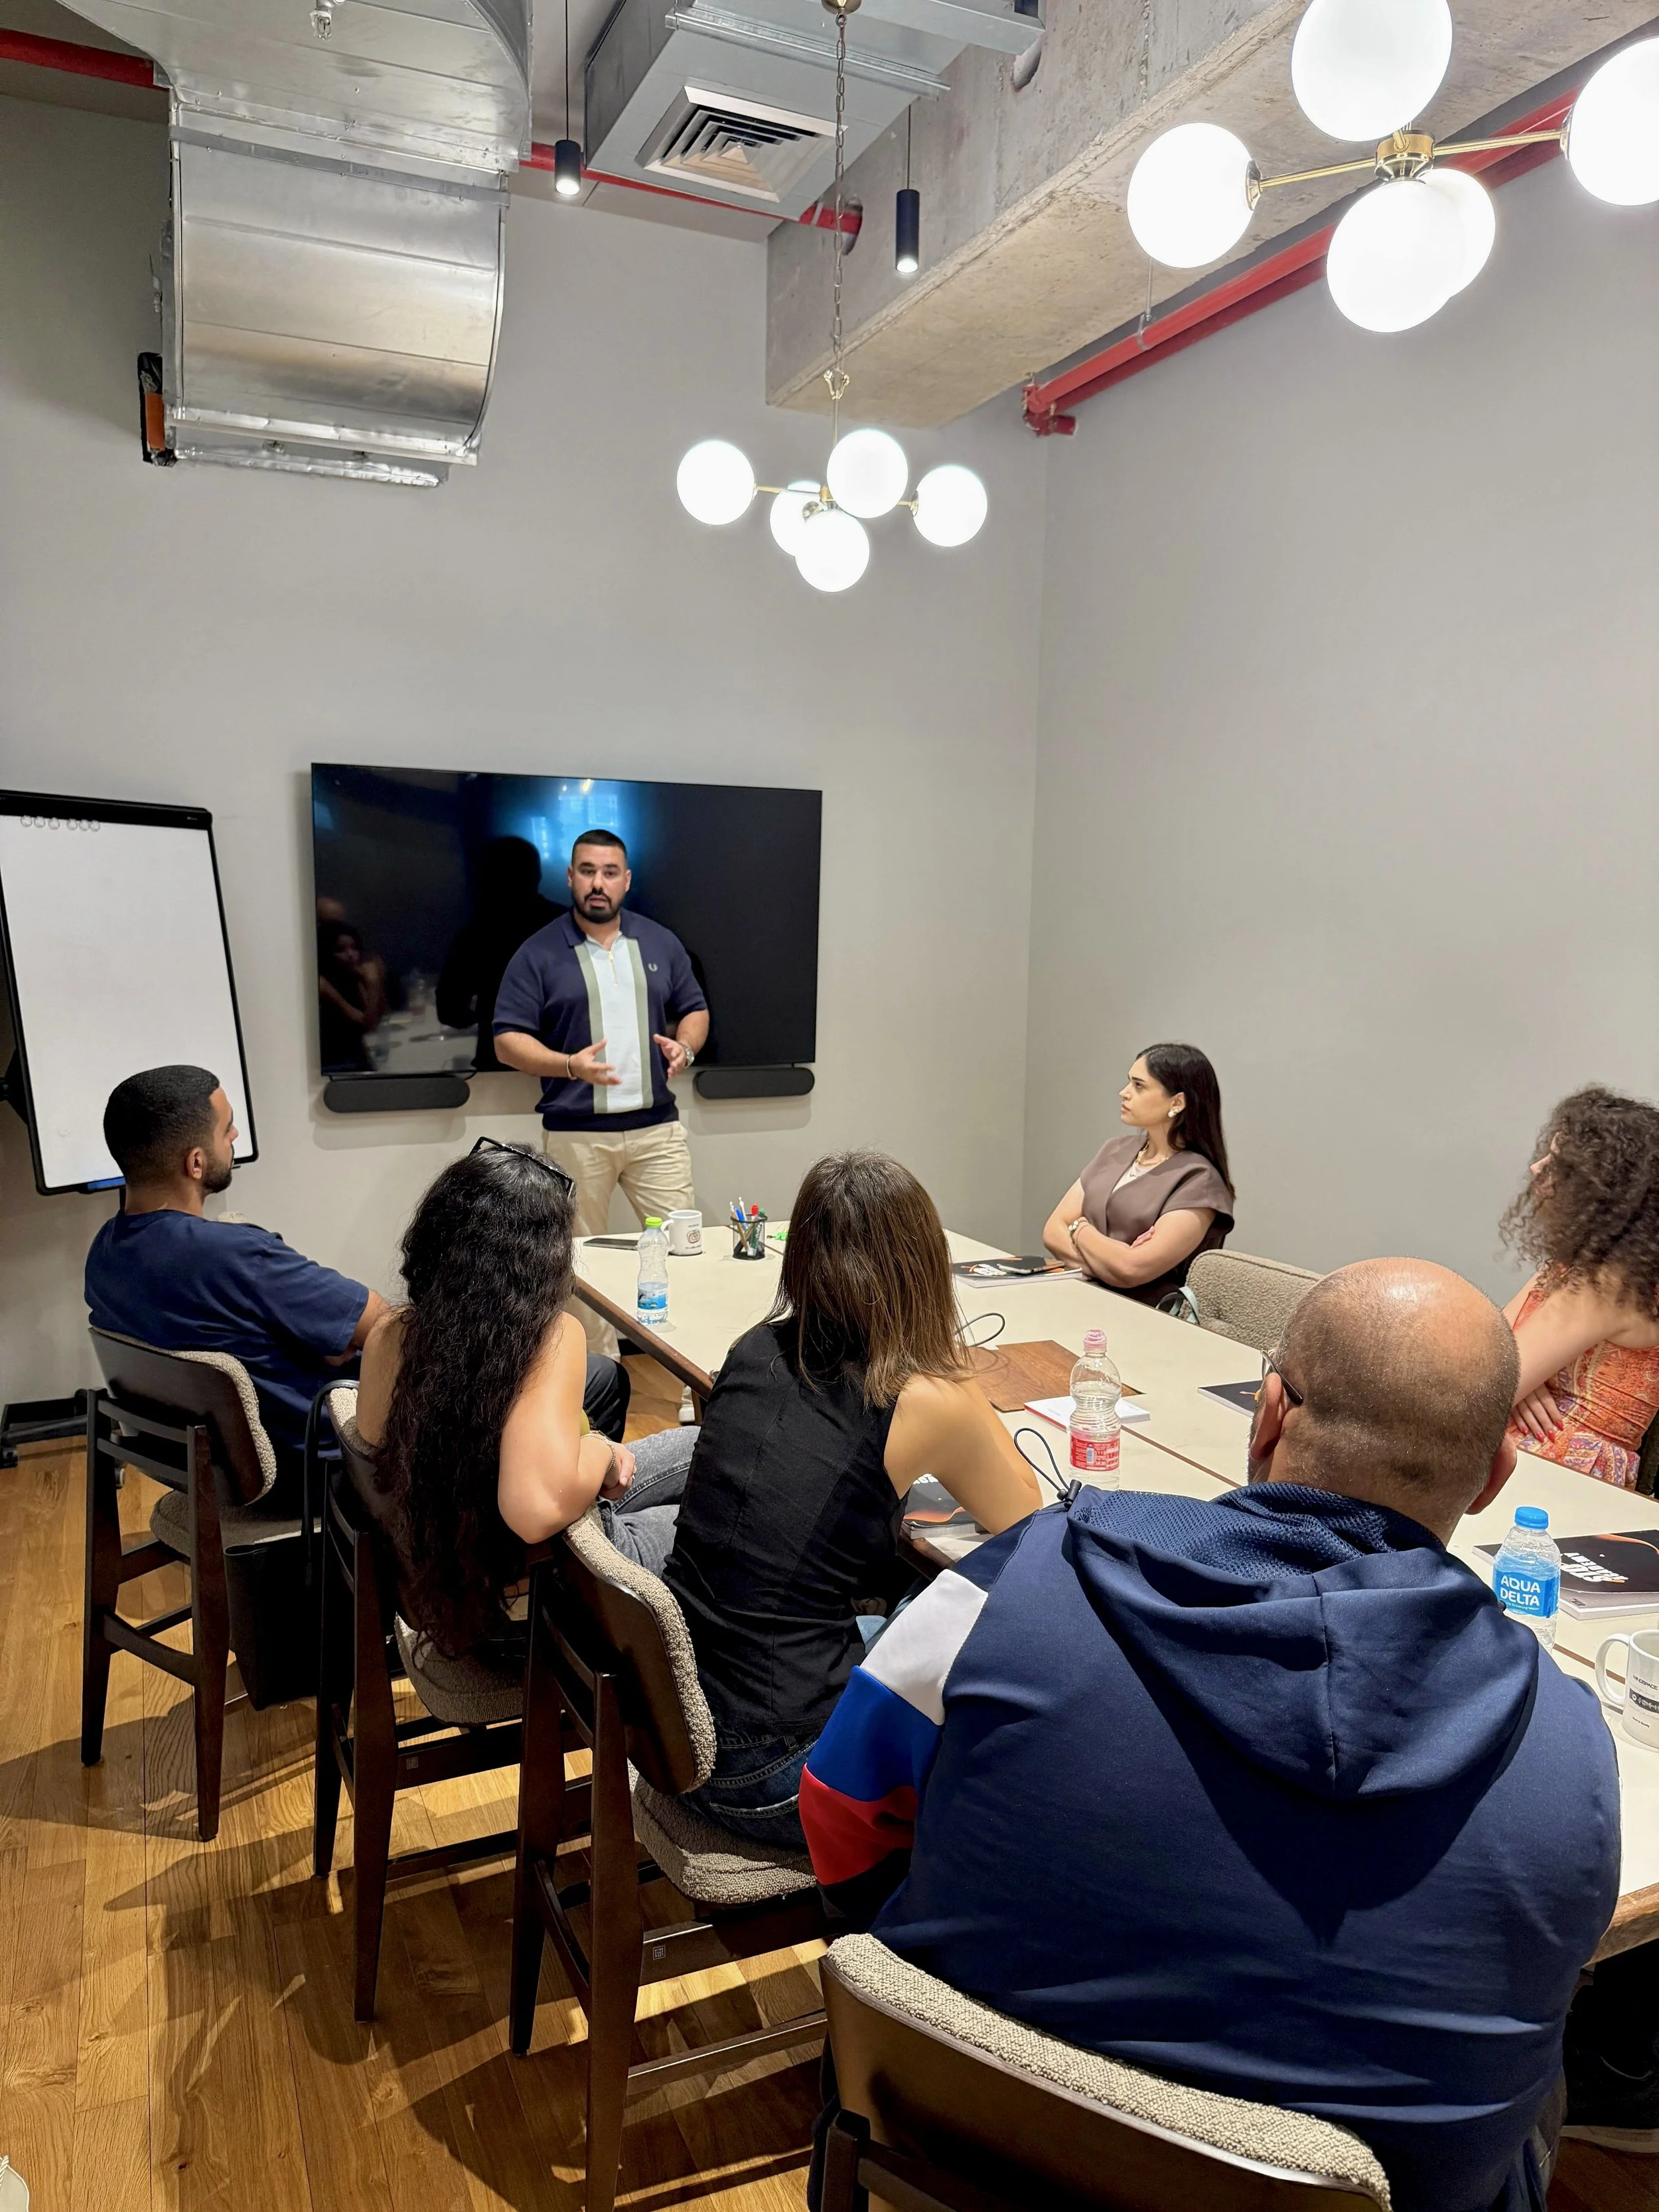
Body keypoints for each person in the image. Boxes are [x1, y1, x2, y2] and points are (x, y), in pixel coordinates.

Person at [800, 1260, 1621, 2212]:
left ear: (1268, 1412)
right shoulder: (1569, 1757)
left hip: (961, 2159)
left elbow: (839, 1801)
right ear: (1493, 1482)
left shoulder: (1006, 1585)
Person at [662, 1150, 1042, 1851]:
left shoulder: (753, 1348)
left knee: (911, 1616)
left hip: (675, 1724)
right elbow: (1027, 1519)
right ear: (923, 1268)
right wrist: (951, 1370)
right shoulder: (925, 1398)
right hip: (775, 1769)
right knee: (1009, 1694)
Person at [354, 1140, 693, 1660]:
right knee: (724, 1514)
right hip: (552, 1581)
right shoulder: (549, 1338)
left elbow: (379, 1441)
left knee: (701, 1447)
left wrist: (592, 1450)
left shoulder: (394, 1333)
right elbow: (536, 1510)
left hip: (466, 1558)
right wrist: (600, 1452)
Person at [86, 1067, 387, 1483]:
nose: (235, 1136)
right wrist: (324, 1342)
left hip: (207, 1473)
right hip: (316, 1468)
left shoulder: (105, 1252)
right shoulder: (234, 1254)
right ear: (196, 1162)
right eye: (226, 1129)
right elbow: (383, 1328)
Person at [494, 828, 709, 1357]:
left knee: (684, 1254)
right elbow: (506, 1041)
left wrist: (685, 1047)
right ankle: (598, 1380)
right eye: (587, 870)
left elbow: (695, 1010)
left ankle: (690, 1378)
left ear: (626, 880)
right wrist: (567, 1064)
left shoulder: (661, 942)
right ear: (570, 877)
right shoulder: (537, 952)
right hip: (576, 1137)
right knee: (578, 1265)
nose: (598, 883)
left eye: (609, 872)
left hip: (657, 1131)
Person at [1501, 1086, 1659, 1489]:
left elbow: (1485, 1383)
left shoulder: (1611, 1282)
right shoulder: (1580, 1264)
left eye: (1559, 1163)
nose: (1537, 1168)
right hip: (1522, 1447)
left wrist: (1513, 1382)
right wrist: (1518, 1382)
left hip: (1556, 1469)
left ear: (1605, 1191)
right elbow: (1494, 1349)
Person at [1041, 1042, 1234, 1305]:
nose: (1124, 1093)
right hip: (1079, 1297)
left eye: (1138, 1086)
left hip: (1141, 1316)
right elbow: (1053, 1230)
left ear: (1177, 1102)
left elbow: (1132, 1270)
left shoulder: (1200, 1182)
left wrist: (1079, 1228)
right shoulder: (1115, 1149)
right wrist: (1111, 1260)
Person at [435, 836, 563, 1073]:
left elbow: (450, 1010)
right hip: (565, 1066)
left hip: (498, 1063)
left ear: (486, 879)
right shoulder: (570, 925)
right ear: (537, 875)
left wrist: (485, 1010)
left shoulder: (476, 933)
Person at [317, 917, 388, 1073]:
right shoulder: (322, 984)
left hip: (354, 1058)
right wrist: (373, 983)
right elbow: (364, 1022)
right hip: (335, 1065)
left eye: (354, 948)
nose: (351, 954)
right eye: (340, 950)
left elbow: (372, 1021)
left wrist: (374, 983)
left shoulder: (352, 977)